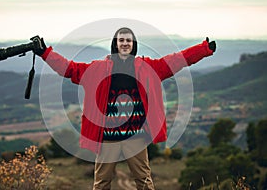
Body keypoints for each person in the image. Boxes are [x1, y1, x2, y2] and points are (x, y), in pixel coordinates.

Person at [32, 27, 216, 190]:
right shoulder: (98, 69)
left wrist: (203, 50)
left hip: (136, 137)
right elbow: (69, 69)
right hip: (108, 138)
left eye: (128, 40)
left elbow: (177, 61)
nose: (125, 43)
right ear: (115, 44)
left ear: (133, 44)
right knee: (102, 183)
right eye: (121, 40)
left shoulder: (148, 67)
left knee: (144, 182)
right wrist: (45, 53)